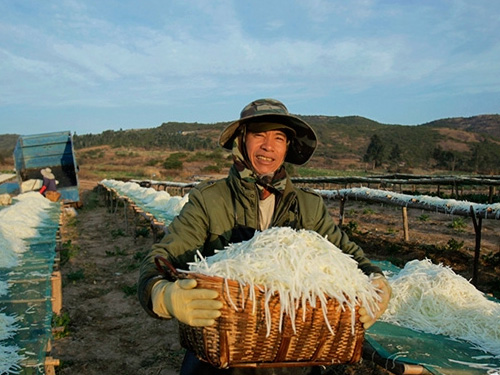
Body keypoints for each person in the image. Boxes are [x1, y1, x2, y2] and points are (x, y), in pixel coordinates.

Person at [138, 98, 391, 375]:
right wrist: (163, 296)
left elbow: (353, 259)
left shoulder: (308, 207)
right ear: (242, 141)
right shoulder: (210, 201)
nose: (268, 146)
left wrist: (377, 286)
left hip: (296, 360)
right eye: (259, 134)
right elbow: (160, 258)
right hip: (226, 357)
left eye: (279, 138)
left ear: (287, 148)